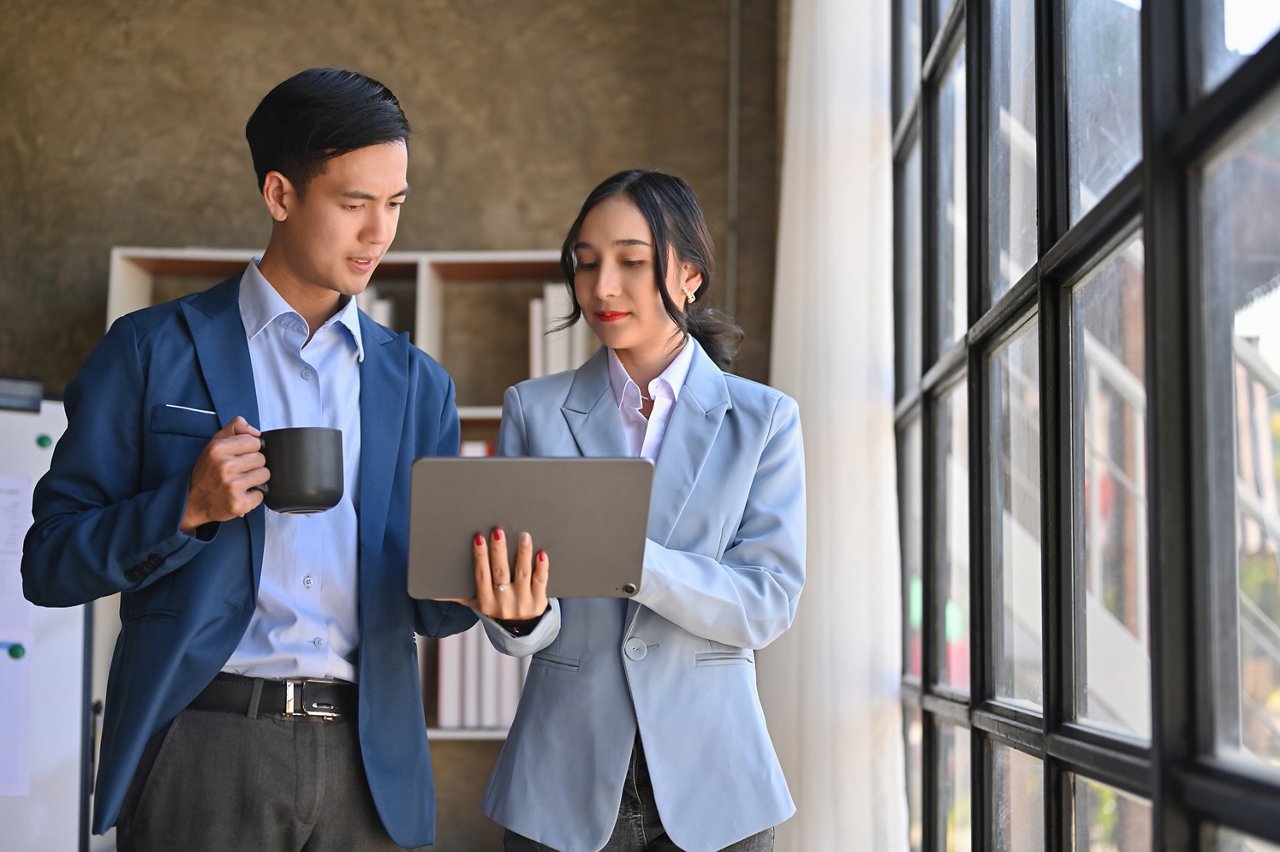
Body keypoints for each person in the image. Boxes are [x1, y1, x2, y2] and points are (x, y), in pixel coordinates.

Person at [21, 68, 476, 850]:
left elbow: (431, 607)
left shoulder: (419, 386)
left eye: (395, 204)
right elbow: (49, 562)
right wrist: (185, 509)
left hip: (369, 767)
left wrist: (495, 590)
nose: (380, 233)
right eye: (354, 203)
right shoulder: (148, 351)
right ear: (279, 194)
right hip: (202, 745)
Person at [467, 170, 807, 852]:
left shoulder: (764, 419)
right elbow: (523, 629)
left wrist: (631, 560)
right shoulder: (532, 409)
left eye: (630, 261)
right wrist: (517, 612)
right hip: (559, 777)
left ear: (689, 275)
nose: (601, 288)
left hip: (717, 781)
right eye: (586, 264)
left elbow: (766, 604)